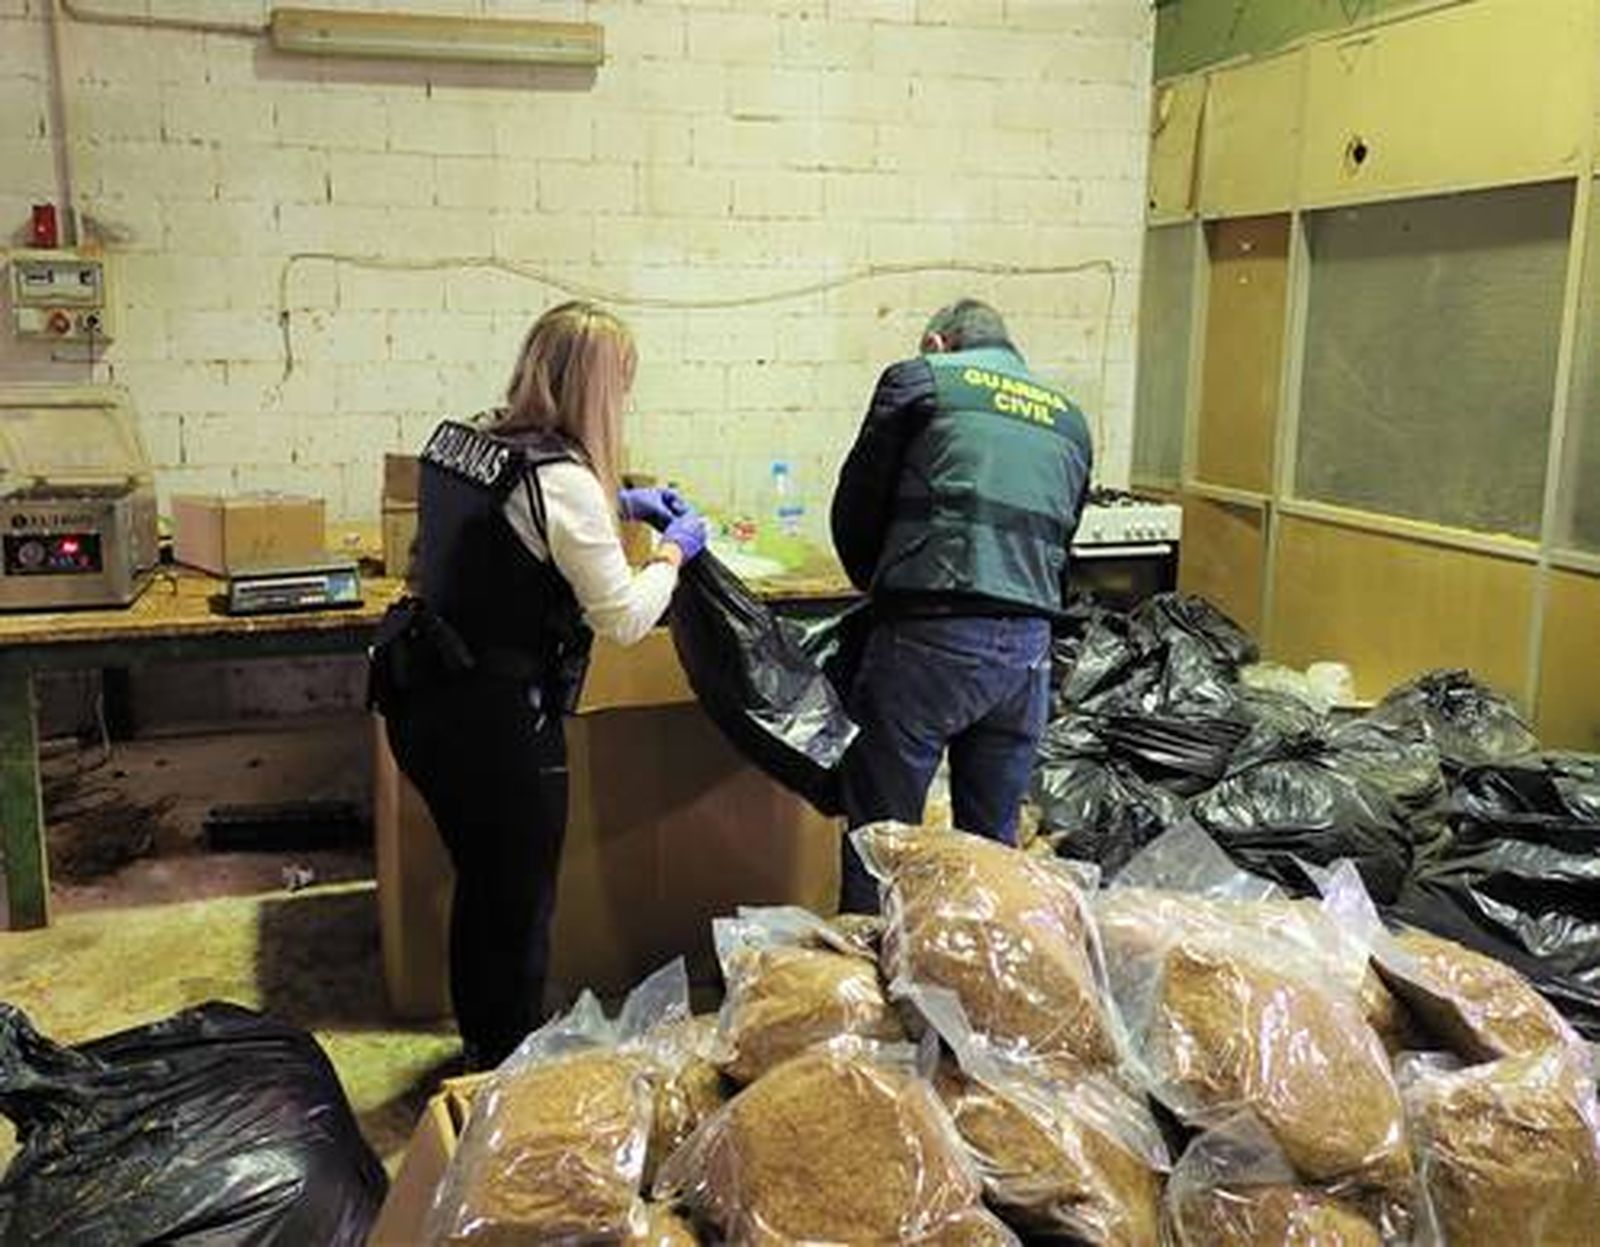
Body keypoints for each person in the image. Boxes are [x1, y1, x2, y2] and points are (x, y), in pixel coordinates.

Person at [368, 300, 708, 1069]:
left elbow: (511, 522)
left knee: (483, 889)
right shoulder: (561, 481)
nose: (625, 401)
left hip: (424, 699)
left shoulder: (469, 443)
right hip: (497, 727)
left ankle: (485, 1044)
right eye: (621, 385)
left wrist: (614, 502)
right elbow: (621, 616)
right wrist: (673, 554)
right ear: (594, 388)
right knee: (517, 907)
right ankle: (507, 1077)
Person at [830, 298, 1093, 912]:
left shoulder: (921, 380)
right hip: (1028, 649)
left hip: (930, 634)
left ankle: (866, 994)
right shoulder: (1069, 417)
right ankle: (980, 991)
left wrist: (879, 585)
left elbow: (859, 502)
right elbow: (1065, 537)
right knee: (992, 853)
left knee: (882, 839)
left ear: (940, 344)